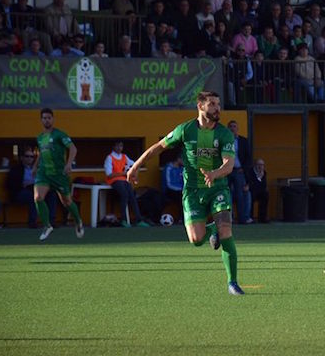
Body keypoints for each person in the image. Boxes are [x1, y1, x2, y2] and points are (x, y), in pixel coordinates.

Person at [127, 91, 243, 295]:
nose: (218, 108)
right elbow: (158, 147)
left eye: (219, 104)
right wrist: (135, 166)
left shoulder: (224, 134)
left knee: (226, 231)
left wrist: (214, 174)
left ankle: (232, 283)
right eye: (213, 104)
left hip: (218, 188)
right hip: (192, 191)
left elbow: (229, 165)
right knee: (196, 240)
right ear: (200, 106)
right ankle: (212, 230)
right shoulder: (186, 130)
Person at [33, 108, 84, 241]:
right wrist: (35, 166)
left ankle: (78, 221)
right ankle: (47, 226)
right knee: (38, 197)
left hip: (59, 174)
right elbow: (41, 153)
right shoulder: (40, 137)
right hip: (44, 173)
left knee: (66, 202)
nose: (46, 120)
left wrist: (68, 164)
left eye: (49, 118)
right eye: (44, 118)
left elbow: (73, 149)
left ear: (53, 119)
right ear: (41, 120)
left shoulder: (59, 135)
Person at [8, 145, 58, 228]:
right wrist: (23, 184)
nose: (29, 158)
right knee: (32, 197)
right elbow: (10, 184)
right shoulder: (16, 169)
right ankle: (32, 222)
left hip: (36, 188)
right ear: (22, 158)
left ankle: (51, 221)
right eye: (27, 156)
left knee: (52, 193)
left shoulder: (38, 168)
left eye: (31, 156)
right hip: (21, 191)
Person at [104, 140, 150, 227]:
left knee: (132, 195)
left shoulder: (124, 157)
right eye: (117, 146)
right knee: (124, 194)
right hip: (114, 181)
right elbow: (109, 174)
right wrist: (124, 173)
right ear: (113, 147)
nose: (119, 148)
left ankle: (138, 219)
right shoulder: (109, 158)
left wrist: (135, 174)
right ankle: (123, 219)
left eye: (121, 146)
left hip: (124, 180)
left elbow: (135, 165)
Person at [226, 120, 253, 225]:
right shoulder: (224, 141)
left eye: (234, 126)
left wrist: (244, 169)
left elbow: (248, 157)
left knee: (240, 194)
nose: (232, 128)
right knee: (227, 194)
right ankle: (229, 218)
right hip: (226, 171)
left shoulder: (243, 141)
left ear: (237, 129)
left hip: (238, 170)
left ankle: (243, 218)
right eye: (230, 127)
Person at [246, 158, 269, 223]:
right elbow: (252, 184)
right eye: (259, 164)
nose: (260, 167)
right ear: (255, 165)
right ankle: (250, 217)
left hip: (260, 191)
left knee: (265, 195)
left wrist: (260, 177)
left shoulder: (264, 173)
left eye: (262, 165)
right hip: (252, 191)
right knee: (251, 196)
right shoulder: (250, 172)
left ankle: (262, 218)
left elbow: (264, 185)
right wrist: (259, 178)